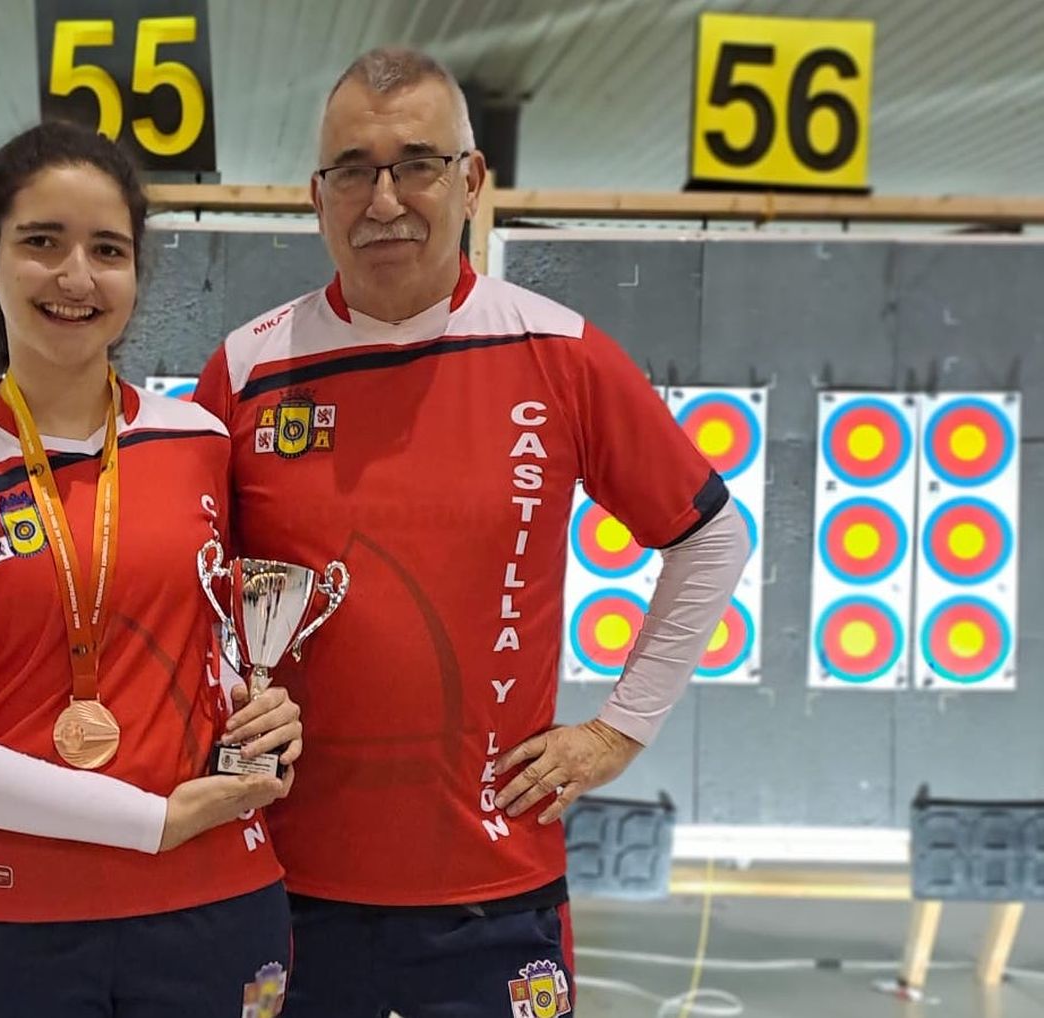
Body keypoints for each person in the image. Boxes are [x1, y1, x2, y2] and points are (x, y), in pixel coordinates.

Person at [194, 48, 751, 1017]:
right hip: (279, 884)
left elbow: (713, 537)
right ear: (315, 197)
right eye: (352, 171)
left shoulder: (560, 352)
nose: (383, 201)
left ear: (471, 180)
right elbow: (186, 587)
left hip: (497, 897)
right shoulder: (245, 370)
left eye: (416, 163)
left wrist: (617, 731)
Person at [0, 121, 303, 1018]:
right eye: (42, 242)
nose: (76, 277)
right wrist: (154, 823)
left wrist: (263, 714)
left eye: (108, 250)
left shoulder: (199, 442)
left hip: (216, 903)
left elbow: (213, 649)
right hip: (8, 919)